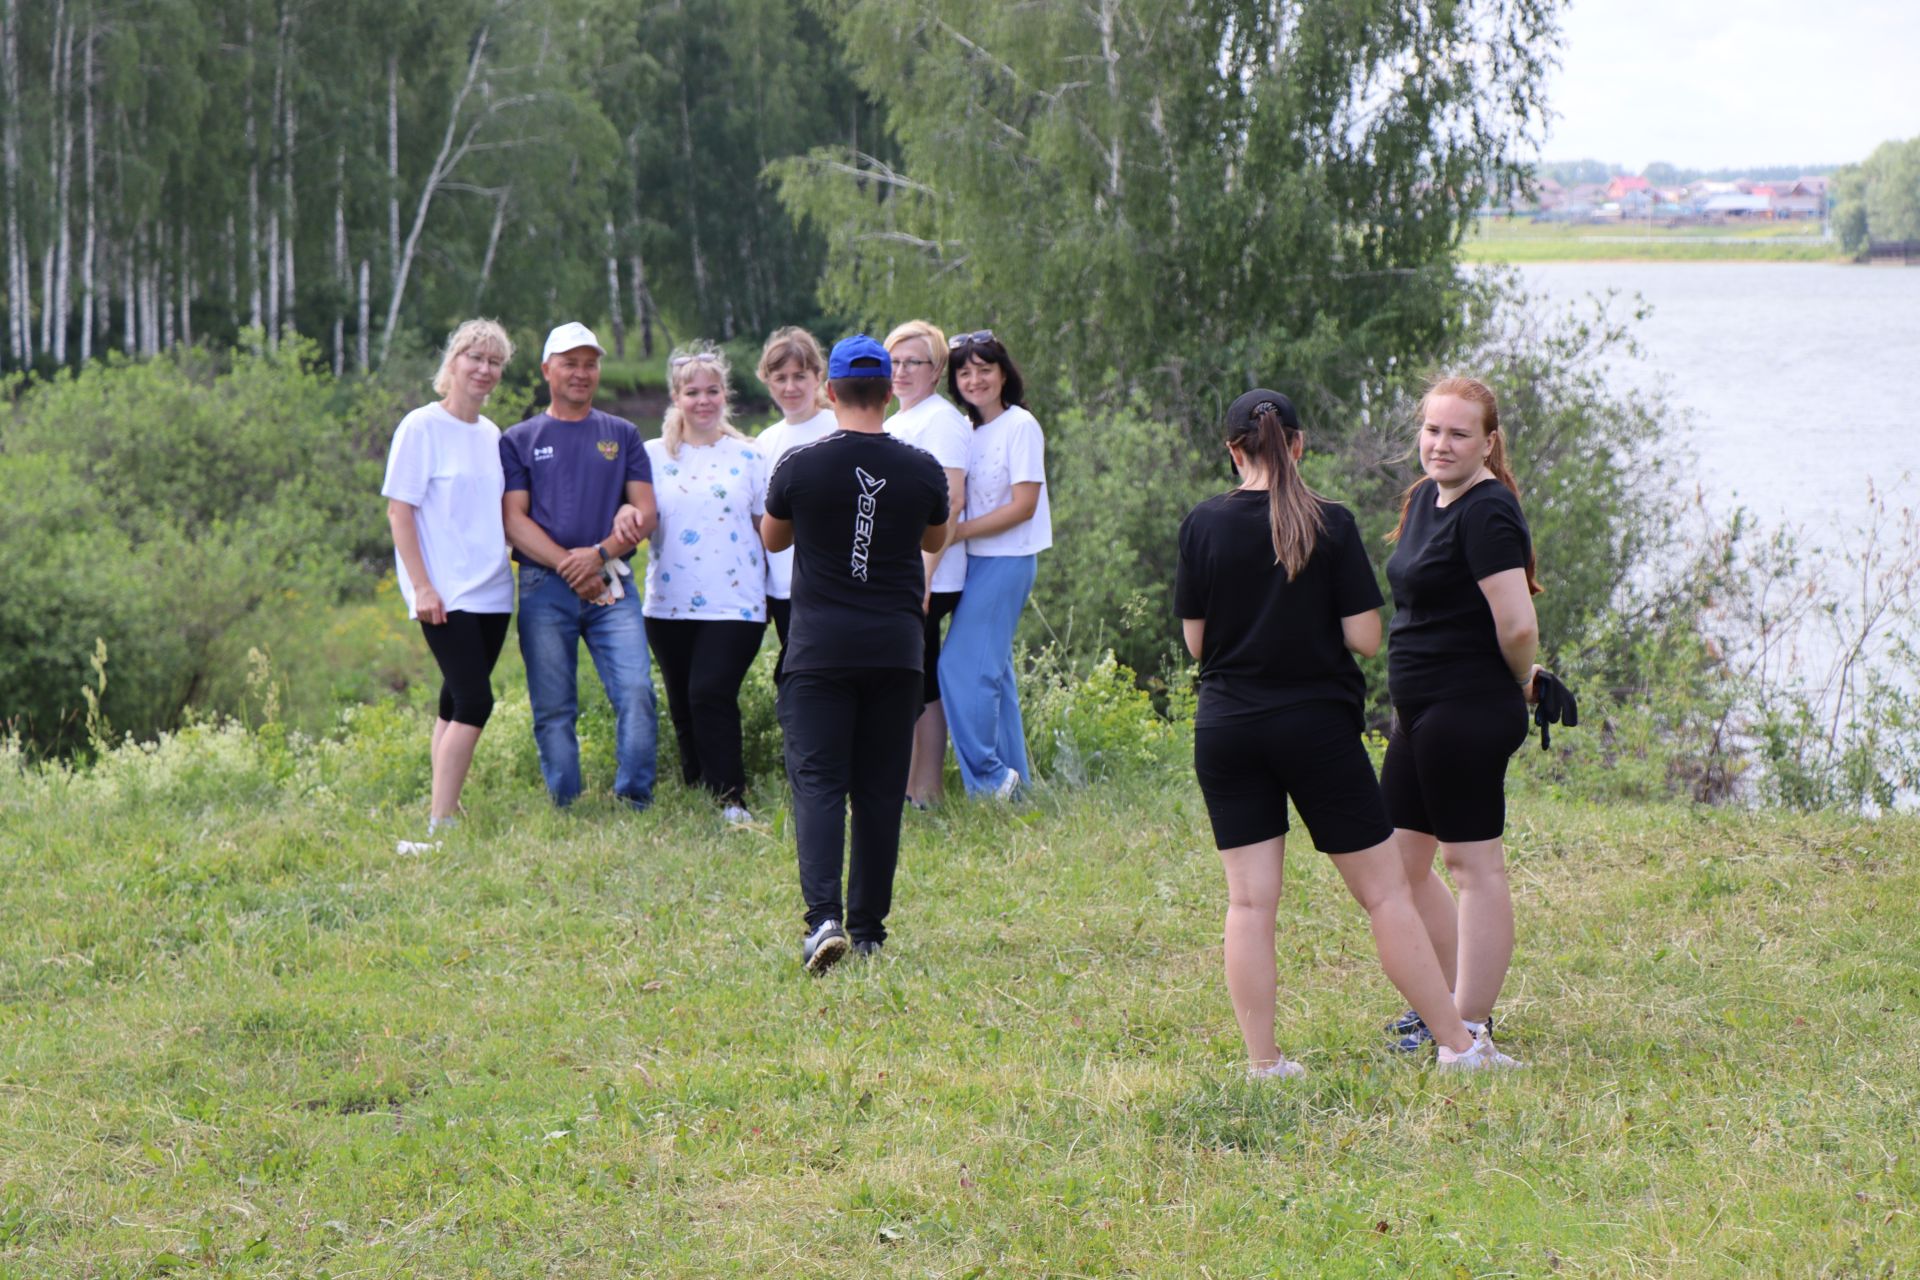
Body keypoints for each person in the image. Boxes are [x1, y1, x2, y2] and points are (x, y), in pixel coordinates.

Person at [1176, 389, 1514, 1077]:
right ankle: (1457, 1045)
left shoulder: (1202, 524)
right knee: (1386, 894)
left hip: (1226, 728)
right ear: (1299, 445)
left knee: (1248, 902)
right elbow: (1365, 638)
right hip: (1314, 729)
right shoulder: (1330, 522)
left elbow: (1194, 643)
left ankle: (1264, 1062)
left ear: (1233, 450)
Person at [761, 335, 950, 972]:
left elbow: (774, 537)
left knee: (818, 783)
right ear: (889, 389)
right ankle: (868, 930)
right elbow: (936, 534)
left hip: (819, 651)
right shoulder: (922, 468)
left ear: (830, 391)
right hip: (897, 650)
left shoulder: (799, 464)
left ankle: (824, 921)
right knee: (877, 789)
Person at [1379, 375, 1542, 1059]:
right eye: (1433, 430)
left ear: (1488, 442)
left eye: (1458, 433)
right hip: (1420, 711)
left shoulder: (1488, 511)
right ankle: (1443, 1008)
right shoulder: (1424, 499)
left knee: (1473, 867)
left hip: (1469, 707)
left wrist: (1521, 682)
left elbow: (1516, 623)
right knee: (1398, 868)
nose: (1441, 444)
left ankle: (1470, 1026)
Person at [500, 322, 660, 810]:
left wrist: (600, 554)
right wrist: (573, 565)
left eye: (590, 364)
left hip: (613, 583)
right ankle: (565, 802)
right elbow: (513, 519)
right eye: (570, 363)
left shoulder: (623, 434)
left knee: (636, 690)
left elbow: (646, 512)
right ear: (547, 370)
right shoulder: (519, 439)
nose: (581, 373)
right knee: (554, 706)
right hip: (542, 586)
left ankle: (634, 796)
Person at [381, 319, 518, 853]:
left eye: (494, 362)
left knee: (451, 698)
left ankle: (444, 804)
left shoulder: (492, 435)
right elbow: (400, 513)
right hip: (444, 591)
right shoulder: (420, 427)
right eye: (475, 358)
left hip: (492, 590)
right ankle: (441, 829)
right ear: (453, 363)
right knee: (474, 700)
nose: (484, 369)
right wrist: (422, 587)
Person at [642, 341, 769, 825]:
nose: (703, 400)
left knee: (710, 692)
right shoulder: (651, 456)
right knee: (682, 701)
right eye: (692, 392)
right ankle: (697, 785)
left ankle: (731, 797)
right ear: (676, 397)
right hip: (667, 602)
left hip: (735, 603)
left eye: (712, 391)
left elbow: (767, 530)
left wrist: (781, 596)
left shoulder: (750, 458)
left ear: (725, 395)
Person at [936, 331, 1050, 797]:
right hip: (976, 562)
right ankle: (1016, 786)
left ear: (1004, 374)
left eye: (984, 369)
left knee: (959, 667)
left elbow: (1023, 505)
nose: (975, 379)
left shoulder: (1019, 425)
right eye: (964, 371)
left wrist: (954, 533)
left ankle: (988, 777)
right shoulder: (969, 431)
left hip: (1007, 560)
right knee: (996, 675)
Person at [883, 320, 972, 808]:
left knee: (921, 676)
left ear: (936, 369)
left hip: (928, 571)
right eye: (893, 362)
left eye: (912, 362)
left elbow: (951, 501)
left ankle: (927, 788)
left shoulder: (940, 421)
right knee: (912, 673)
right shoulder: (899, 420)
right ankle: (908, 786)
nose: (900, 371)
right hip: (900, 569)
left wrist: (924, 575)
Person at [753, 327, 838, 682]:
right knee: (794, 681)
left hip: (833, 587)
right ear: (767, 382)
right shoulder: (764, 442)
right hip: (784, 588)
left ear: (819, 377)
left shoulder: (839, 426)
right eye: (780, 378)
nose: (790, 387)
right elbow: (760, 521)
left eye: (800, 376)